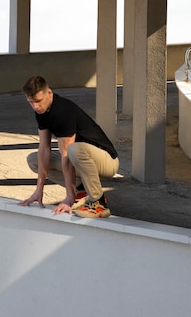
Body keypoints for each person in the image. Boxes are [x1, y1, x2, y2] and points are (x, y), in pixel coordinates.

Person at [19, 76, 119, 218]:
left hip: (107, 162)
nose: (35, 106)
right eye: (31, 102)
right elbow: (44, 149)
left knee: (73, 150)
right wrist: (39, 190)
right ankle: (81, 189)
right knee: (35, 159)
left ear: (49, 93)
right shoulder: (41, 111)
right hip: (82, 159)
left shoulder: (62, 111)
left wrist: (69, 197)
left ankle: (98, 202)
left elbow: (66, 155)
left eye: (38, 101)